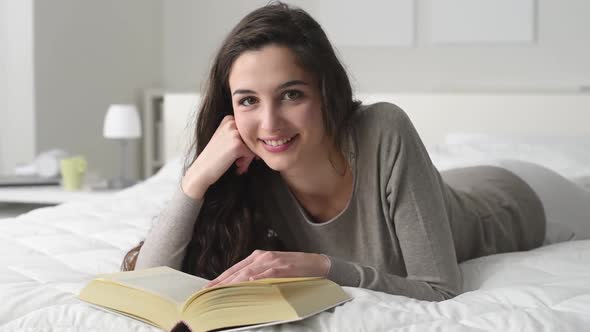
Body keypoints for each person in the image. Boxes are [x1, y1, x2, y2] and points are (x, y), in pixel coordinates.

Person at [122, 2, 547, 301]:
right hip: (448, 189)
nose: (269, 124)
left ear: (326, 93)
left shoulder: (384, 129)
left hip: (512, 202)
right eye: (248, 100)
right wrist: (197, 177)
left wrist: (321, 267)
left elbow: (440, 289)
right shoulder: (252, 171)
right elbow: (149, 281)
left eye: (291, 94)